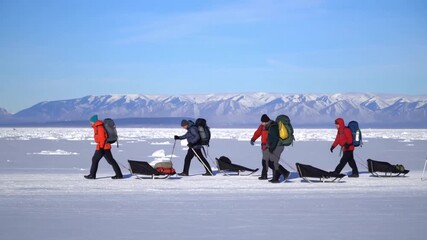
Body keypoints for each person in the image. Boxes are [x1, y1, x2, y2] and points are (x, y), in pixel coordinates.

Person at [84, 114, 123, 179]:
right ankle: (119, 175)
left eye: (91, 121)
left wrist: (101, 147)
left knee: (95, 160)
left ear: (94, 121)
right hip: (105, 146)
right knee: (111, 161)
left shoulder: (99, 127)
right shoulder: (97, 126)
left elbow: (102, 138)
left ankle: (92, 175)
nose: (90, 123)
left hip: (102, 147)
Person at [250, 114, 274, 180]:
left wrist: (270, 145)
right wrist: (253, 139)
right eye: (261, 122)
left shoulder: (272, 126)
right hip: (264, 146)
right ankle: (265, 175)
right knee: (265, 161)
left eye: (263, 122)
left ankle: (274, 175)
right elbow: (258, 133)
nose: (262, 123)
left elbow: (274, 137)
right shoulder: (262, 126)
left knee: (269, 161)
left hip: (271, 146)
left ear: (266, 121)